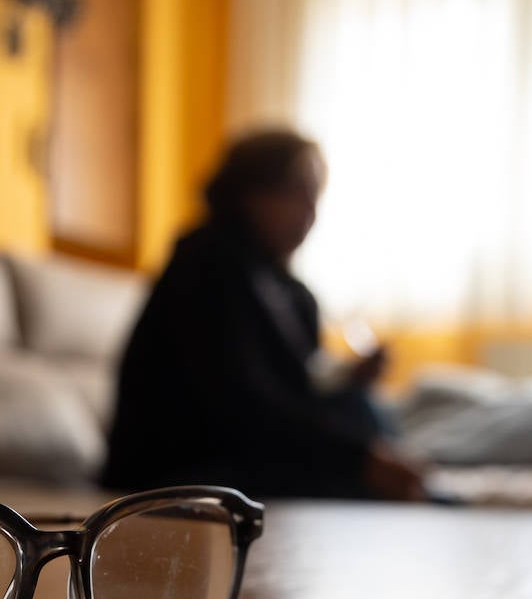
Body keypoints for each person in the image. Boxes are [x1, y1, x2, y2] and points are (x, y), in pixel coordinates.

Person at [102, 129, 429, 501]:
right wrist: (358, 459)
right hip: (179, 468)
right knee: (359, 466)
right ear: (249, 191)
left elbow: (298, 392)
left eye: (316, 192)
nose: (310, 208)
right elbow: (242, 406)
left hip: (248, 451)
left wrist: (349, 379)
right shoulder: (206, 263)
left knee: (362, 406)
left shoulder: (292, 292)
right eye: (296, 190)